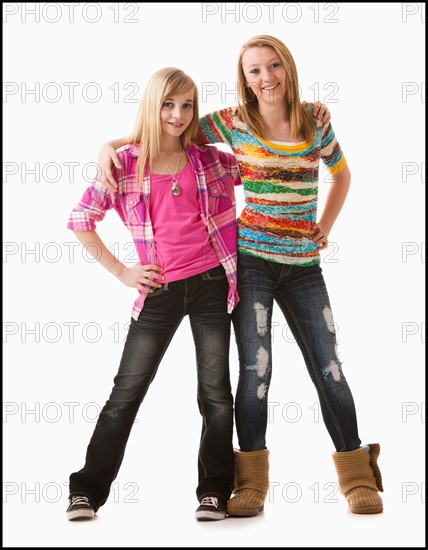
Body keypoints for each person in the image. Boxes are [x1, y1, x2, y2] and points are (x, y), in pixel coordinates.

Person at [97, 35, 384, 517]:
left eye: (273, 67)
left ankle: (356, 472)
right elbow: (173, 131)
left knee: (329, 367)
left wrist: (325, 229)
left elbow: (343, 174)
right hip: (250, 262)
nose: (266, 78)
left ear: (288, 68)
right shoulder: (232, 122)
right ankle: (249, 480)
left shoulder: (315, 121)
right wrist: (113, 142)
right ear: (243, 78)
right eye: (254, 71)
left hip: (303, 268)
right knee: (255, 373)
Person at [66, 67, 242, 522]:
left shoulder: (210, 160)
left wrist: (306, 116)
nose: (178, 115)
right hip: (159, 290)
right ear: (153, 106)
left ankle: (214, 491)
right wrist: (123, 271)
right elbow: (81, 220)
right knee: (127, 391)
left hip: (211, 287)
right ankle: (86, 489)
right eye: (168, 104)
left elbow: (262, 162)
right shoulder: (124, 162)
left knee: (216, 394)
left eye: (187, 105)